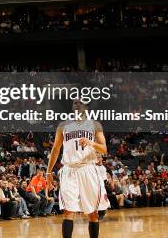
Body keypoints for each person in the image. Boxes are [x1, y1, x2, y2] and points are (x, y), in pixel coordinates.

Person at [46, 99, 108, 238]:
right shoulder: (63, 125)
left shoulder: (95, 124)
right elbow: (55, 149)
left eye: (81, 103)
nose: (77, 104)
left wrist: (91, 142)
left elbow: (104, 149)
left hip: (88, 169)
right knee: (68, 211)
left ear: (87, 107)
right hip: (69, 169)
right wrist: (49, 171)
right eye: (75, 103)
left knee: (92, 213)